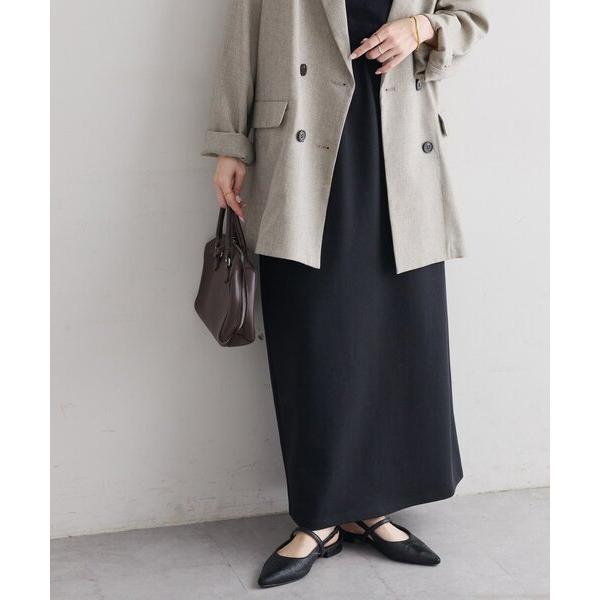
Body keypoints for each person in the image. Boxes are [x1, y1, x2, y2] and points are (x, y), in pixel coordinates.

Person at [203, 0, 489, 589]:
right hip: (302, 152)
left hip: (399, 150)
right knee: (314, 341)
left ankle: (371, 510)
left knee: (398, 338)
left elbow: (470, 17)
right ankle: (317, 519)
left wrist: (421, 27)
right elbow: (244, 34)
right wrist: (230, 142)